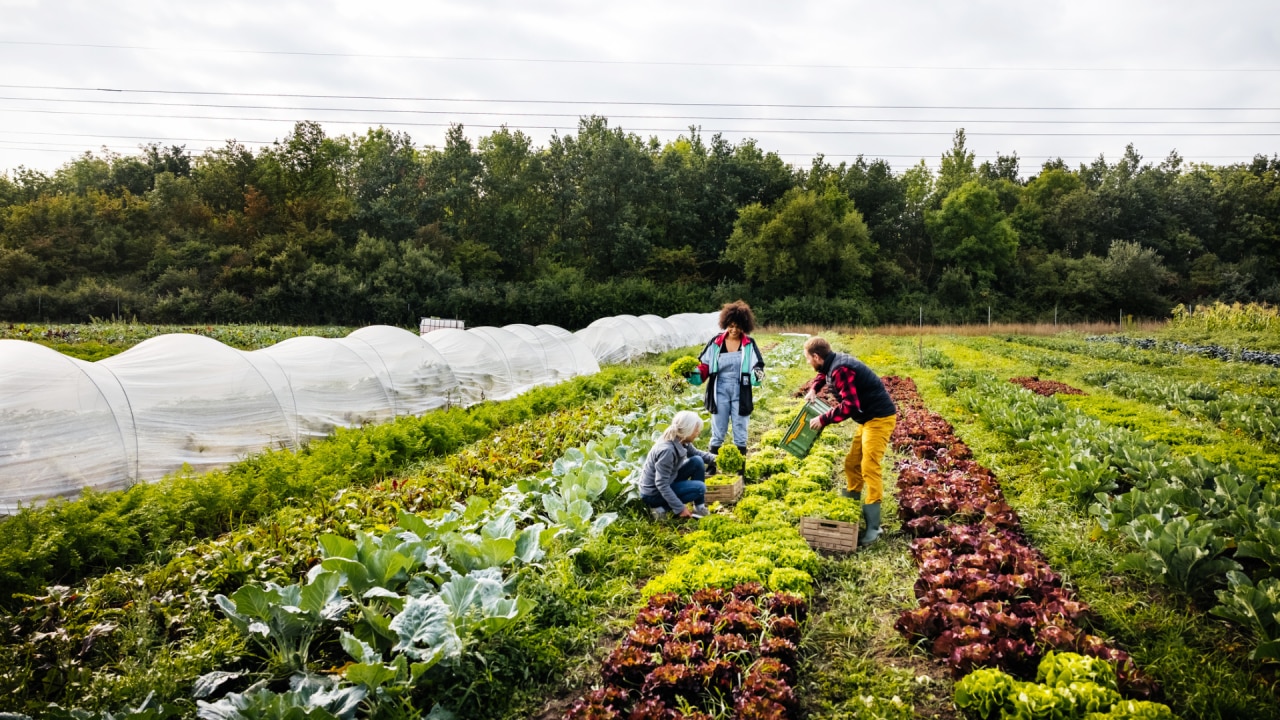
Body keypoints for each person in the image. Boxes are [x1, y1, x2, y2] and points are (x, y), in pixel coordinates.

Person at [803, 336, 897, 546]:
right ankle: (851, 506)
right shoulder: (832, 364)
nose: (808, 362)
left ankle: (874, 527)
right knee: (852, 462)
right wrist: (812, 389)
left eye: (808, 358)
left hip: (879, 418)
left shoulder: (840, 369)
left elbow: (850, 406)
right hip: (867, 419)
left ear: (817, 356)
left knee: (869, 466)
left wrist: (823, 419)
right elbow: (823, 375)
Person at [697, 300, 766, 466]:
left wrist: (757, 375)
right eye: (731, 326)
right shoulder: (716, 343)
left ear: (744, 326)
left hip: (740, 390)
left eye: (738, 326)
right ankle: (712, 466)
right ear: (726, 324)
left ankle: (740, 468)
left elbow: (758, 365)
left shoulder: (749, 344)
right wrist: (695, 375)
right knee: (718, 429)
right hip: (719, 389)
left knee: (740, 428)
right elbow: (704, 365)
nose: (734, 330)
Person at [638, 410, 718, 520]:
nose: (698, 433)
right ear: (687, 430)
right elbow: (661, 484)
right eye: (696, 430)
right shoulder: (667, 451)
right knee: (700, 488)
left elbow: (696, 454)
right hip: (653, 493)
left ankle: (699, 508)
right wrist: (680, 508)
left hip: (669, 480)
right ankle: (660, 508)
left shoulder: (681, 439)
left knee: (697, 461)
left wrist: (718, 459)